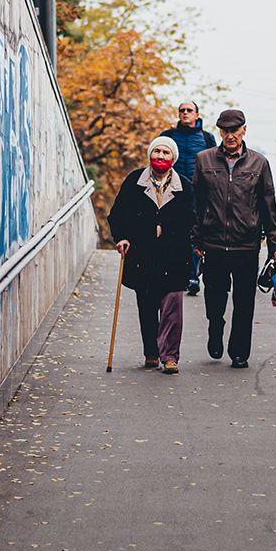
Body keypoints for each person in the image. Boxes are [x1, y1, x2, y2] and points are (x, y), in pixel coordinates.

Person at [193, 109, 276, 369]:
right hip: (213, 243)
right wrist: (196, 238)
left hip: (246, 243)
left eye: (235, 130)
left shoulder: (259, 163)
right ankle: (215, 326)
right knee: (214, 298)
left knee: (244, 302)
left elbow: (268, 204)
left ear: (244, 130)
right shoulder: (204, 160)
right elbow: (197, 203)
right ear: (220, 132)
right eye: (225, 131)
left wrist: (273, 244)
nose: (230, 135)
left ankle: (240, 352)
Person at [107, 135, 197, 374]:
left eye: (165, 153)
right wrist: (122, 237)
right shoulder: (135, 181)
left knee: (172, 307)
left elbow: (192, 218)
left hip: (173, 254)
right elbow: (118, 214)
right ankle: (151, 352)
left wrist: (172, 231)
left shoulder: (185, 186)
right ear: (150, 155)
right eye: (157, 151)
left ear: (173, 158)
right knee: (146, 305)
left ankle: (170, 356)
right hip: (142, 254)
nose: (160, 156)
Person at [161, 101, 220, 295]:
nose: (185, 113)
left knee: (195, 231)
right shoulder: (168, 136)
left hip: (199, 192)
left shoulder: (206, 138)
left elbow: (216, 164)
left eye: (189, 110)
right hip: (173, 191)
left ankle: (193, 275)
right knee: (176, 232)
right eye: (182, 110)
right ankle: (180, 273)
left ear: (197, 114)